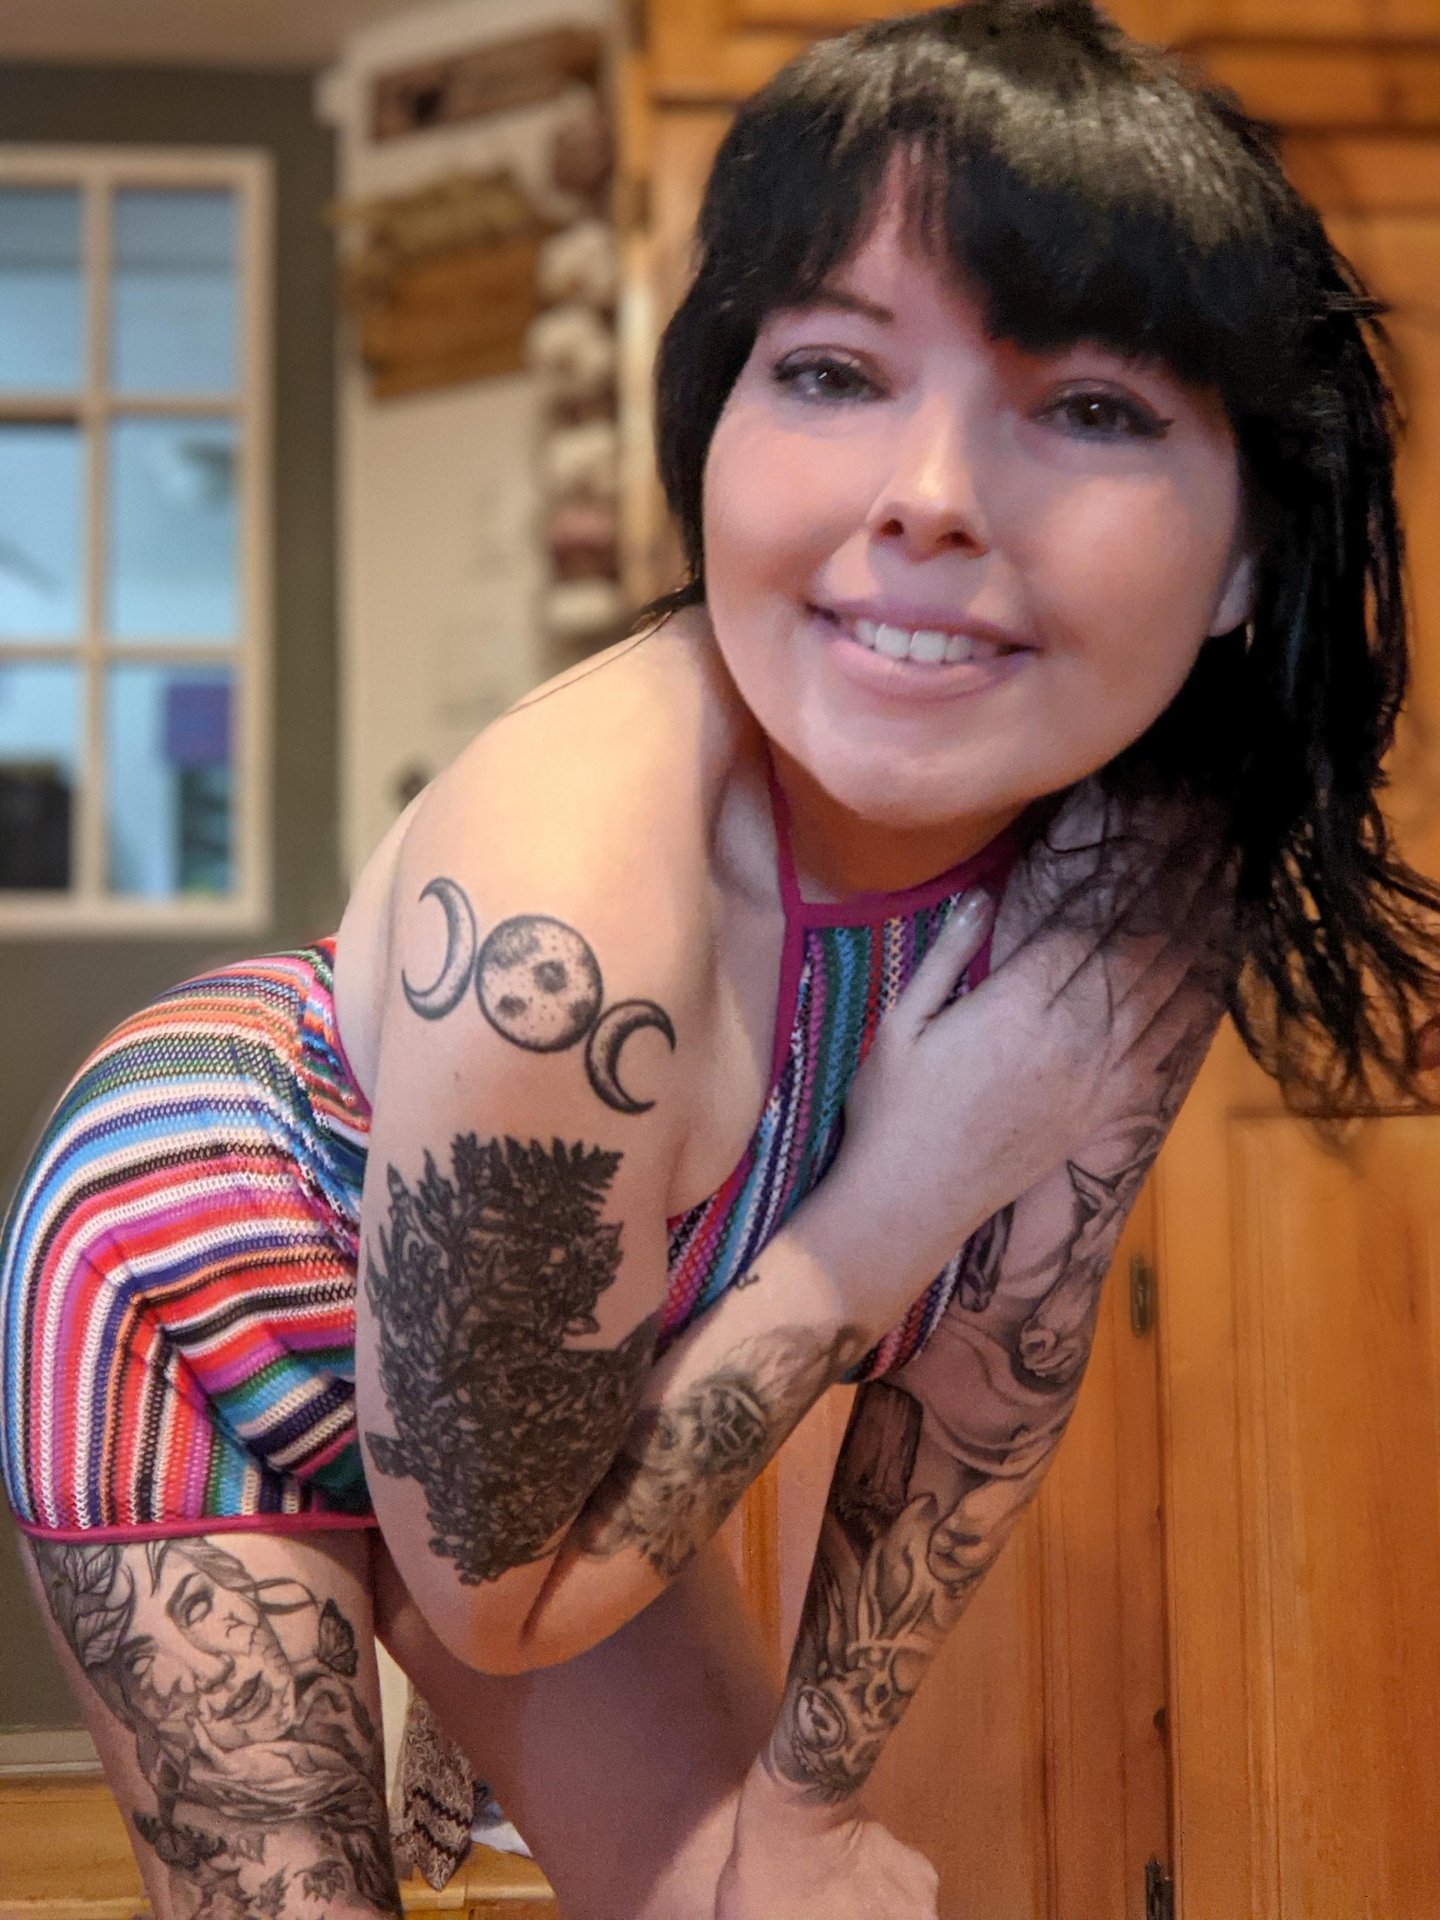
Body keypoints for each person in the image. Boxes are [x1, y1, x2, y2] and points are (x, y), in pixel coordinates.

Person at [4, 3, 1437, 1916]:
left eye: (1093, 408)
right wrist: (909, 1187)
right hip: (197, 1302)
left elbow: (992, 1384)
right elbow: (509, 1601)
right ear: (714, 433)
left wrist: (809, 1808)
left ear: (1250, 548)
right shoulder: (567, 924)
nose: (929, 493)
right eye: (833, 371)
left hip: (554, 1432)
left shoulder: (1141, 873)